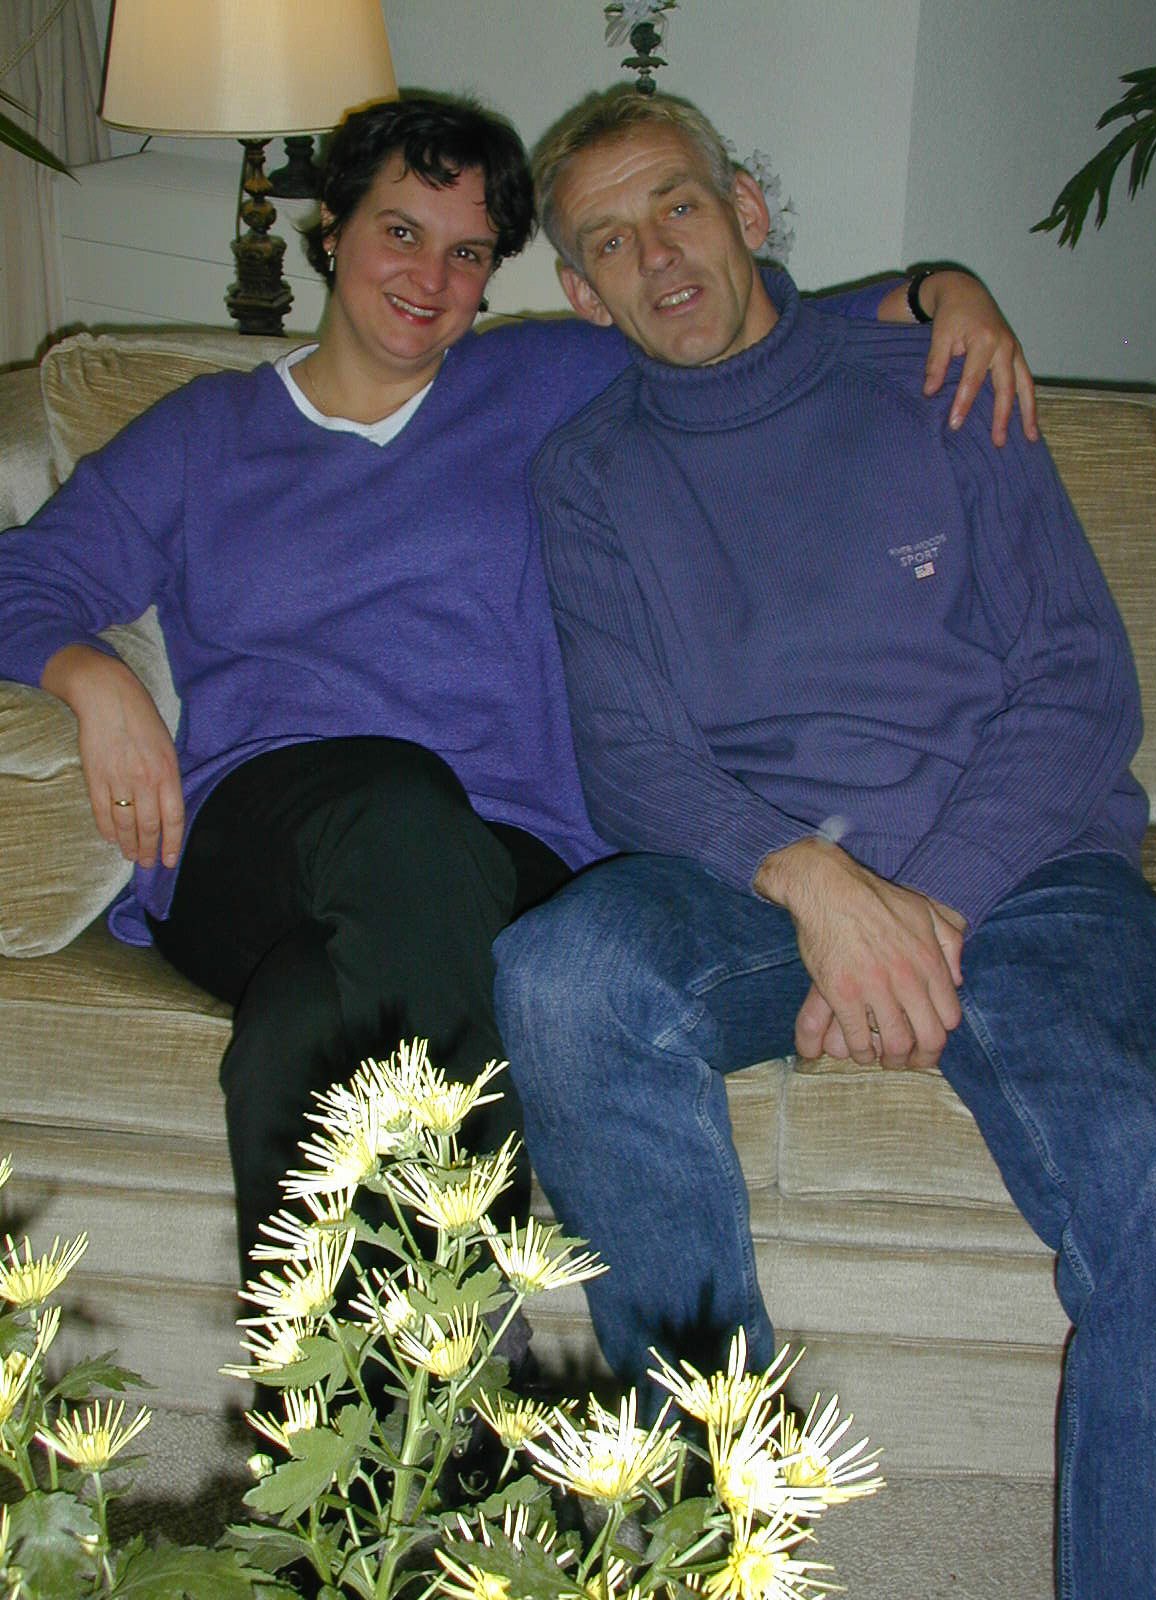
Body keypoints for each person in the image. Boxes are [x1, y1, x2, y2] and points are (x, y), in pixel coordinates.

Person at [0, 91, 1027, 1287]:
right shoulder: (205, 434)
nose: (431, 277)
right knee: (392, 806)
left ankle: (387, 1391)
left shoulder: (543, 380)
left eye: (468, 252)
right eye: (401, 232)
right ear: (332, 229)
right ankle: (456, 1348)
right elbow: (23, 576)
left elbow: (743, 326)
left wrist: (941, 293)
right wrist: (94, 680)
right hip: (257, 850)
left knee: (304, 1025)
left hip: (510, 856)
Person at [490, 87, 1156, 1599]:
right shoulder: (590, 474)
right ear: (580, 291)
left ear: (746, 209)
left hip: (1033, 873)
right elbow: (631, 761)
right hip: (761, 890)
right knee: (563, 976)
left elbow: (1080, 681)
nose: (655, 257)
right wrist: (816, 884)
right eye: (608, 242)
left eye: (679, 206)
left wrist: (918, 906)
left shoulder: (939, 375)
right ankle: (712, 1541)